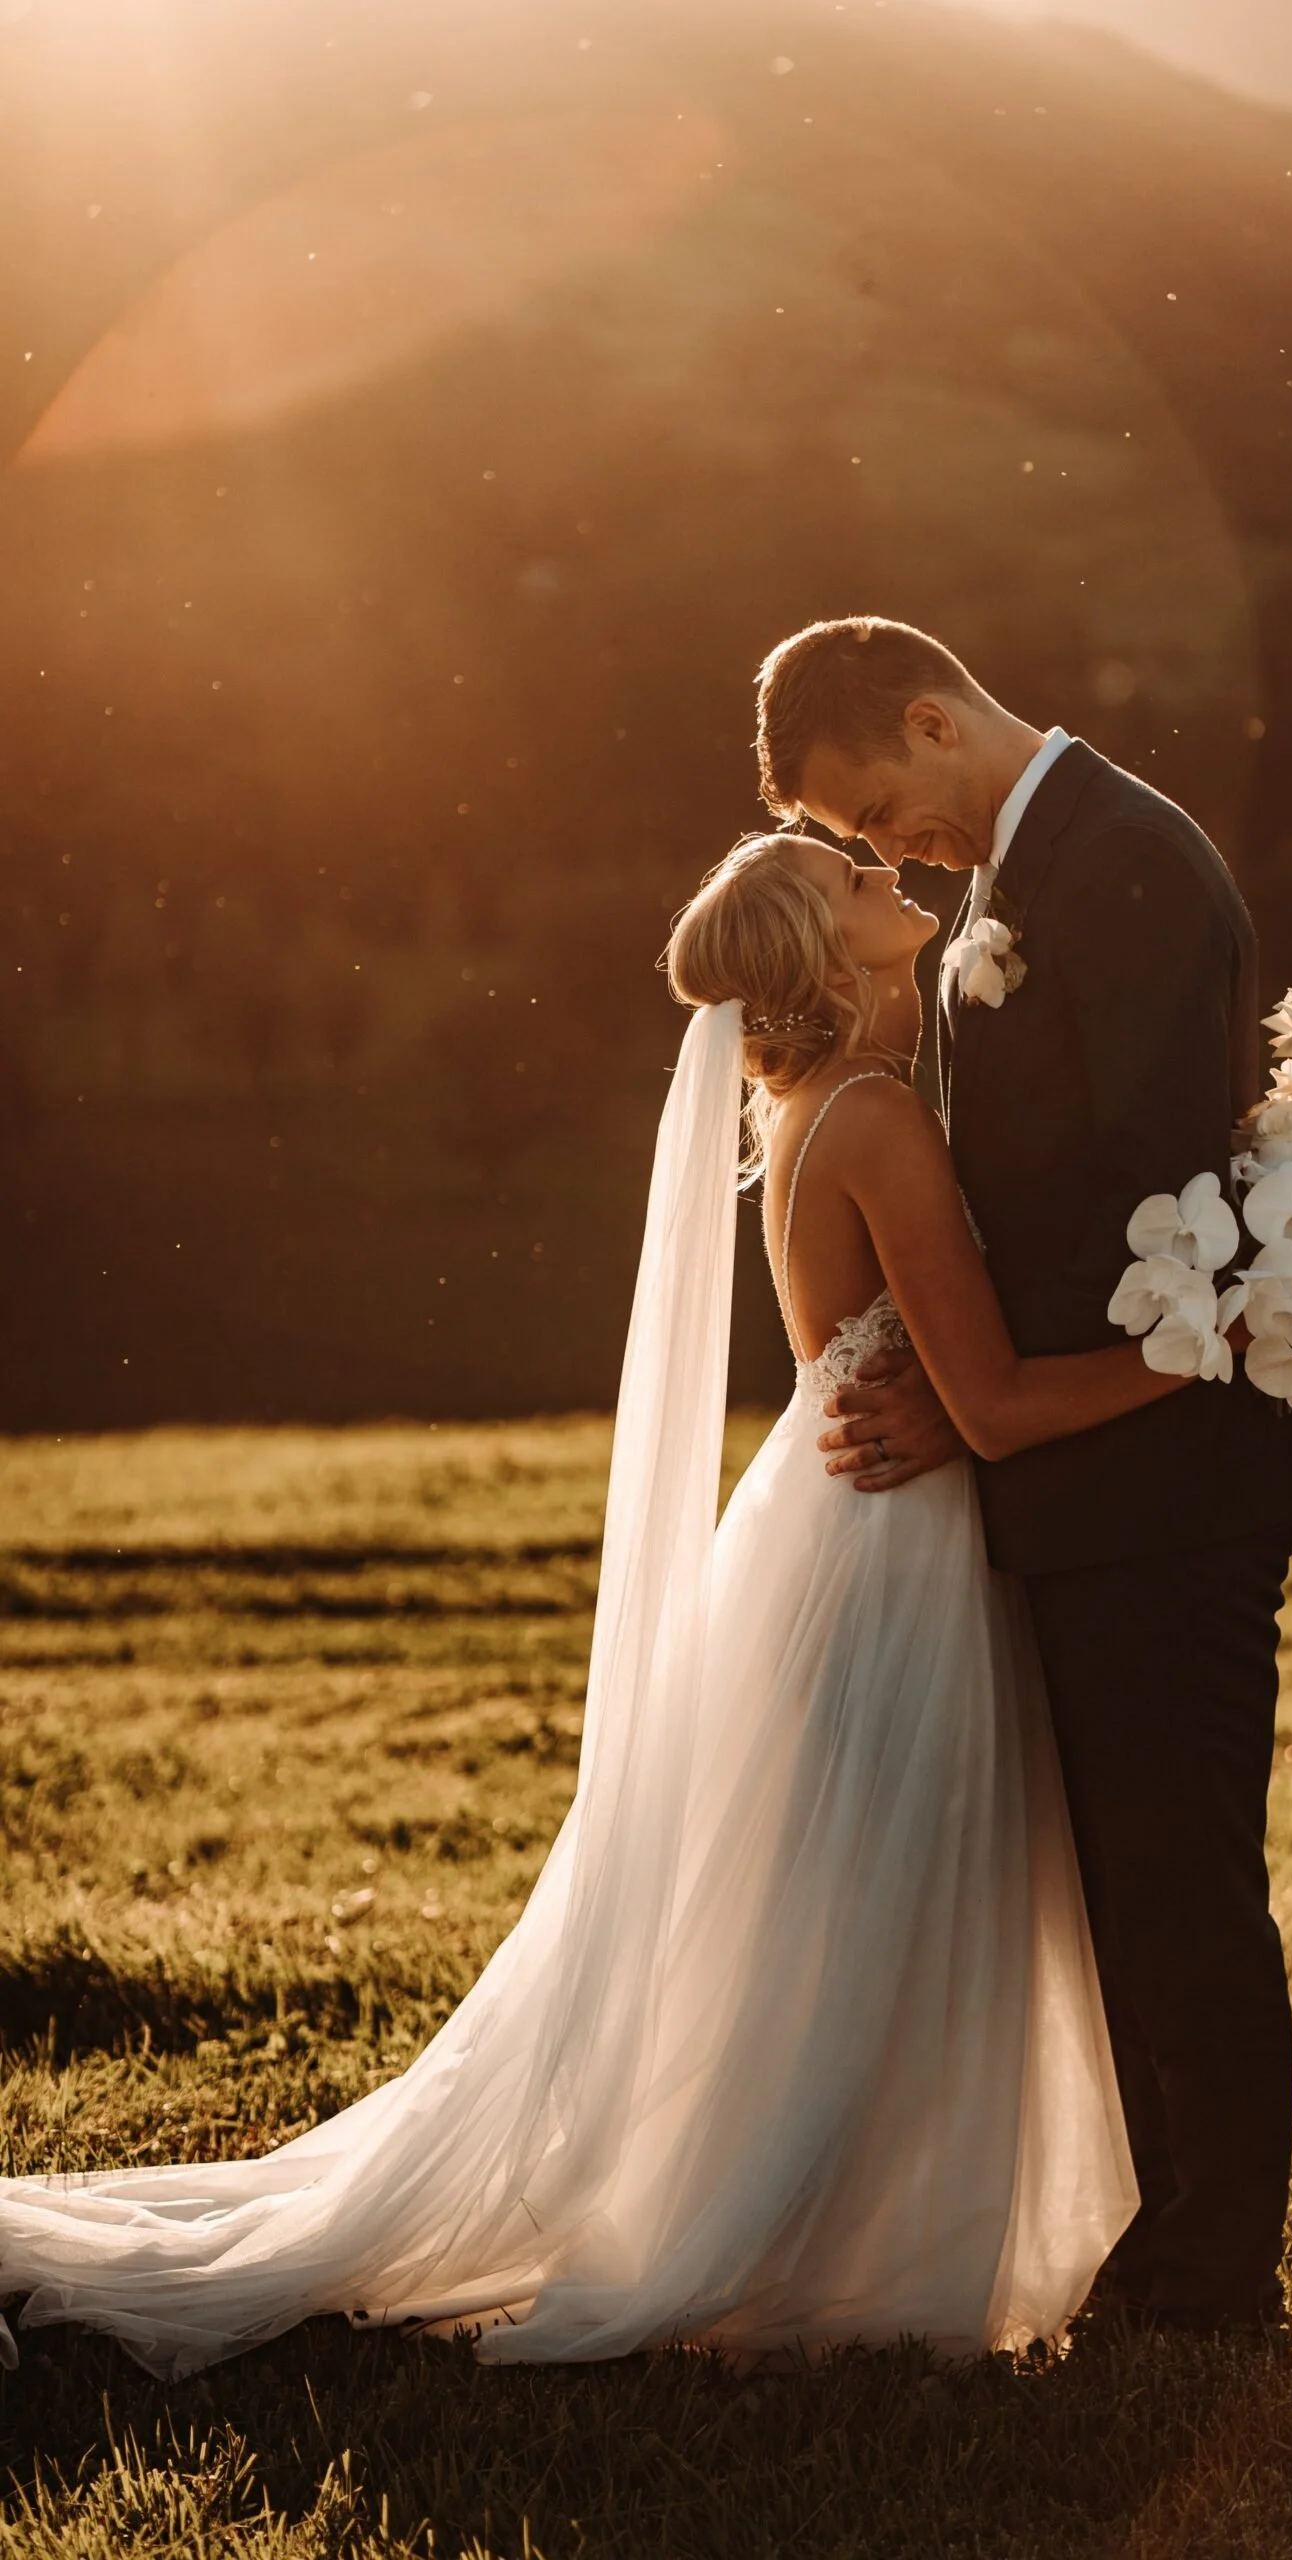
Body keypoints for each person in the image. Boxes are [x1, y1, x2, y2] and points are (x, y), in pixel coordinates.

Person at [0, 825, 1210, 2379]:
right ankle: (829, 2236)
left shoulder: (813, 1109)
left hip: (835, 1521)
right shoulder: (877, 1120)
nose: (887, 880)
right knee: (875, 1875)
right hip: (893, 1543)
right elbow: (984, 1398)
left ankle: (847, 2213)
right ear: (826, 956)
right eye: (853, 883)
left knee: (838, 1888)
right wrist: (1216, 1350)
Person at [755, 616, 1292, 2334]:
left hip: (1165, 1470)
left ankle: (1210, 2268)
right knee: (1126, 1873)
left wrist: (981, 1397)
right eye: (867, 847)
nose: (893, 856)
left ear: (934, 720)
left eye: (883, 813)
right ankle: (1167, 2240)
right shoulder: (1026, 878)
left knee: (1177, 1877)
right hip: (1086, 1468)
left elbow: (1146, 1186)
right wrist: (971, 1384)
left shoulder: (1122, 861)